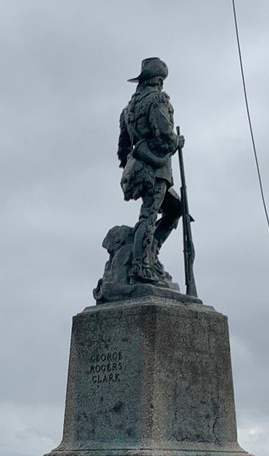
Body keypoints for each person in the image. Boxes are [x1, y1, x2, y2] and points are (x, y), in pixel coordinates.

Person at [117, 57, 186, 285]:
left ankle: (150, 253)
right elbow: (165, 135)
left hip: (137, 167)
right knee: (149, 214)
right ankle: (141, 265)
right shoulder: (157, 100)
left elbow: (122, 148)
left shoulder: (128, 109)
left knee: (176, 209)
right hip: (156, 168)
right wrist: (177, 141)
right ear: (158, 81)